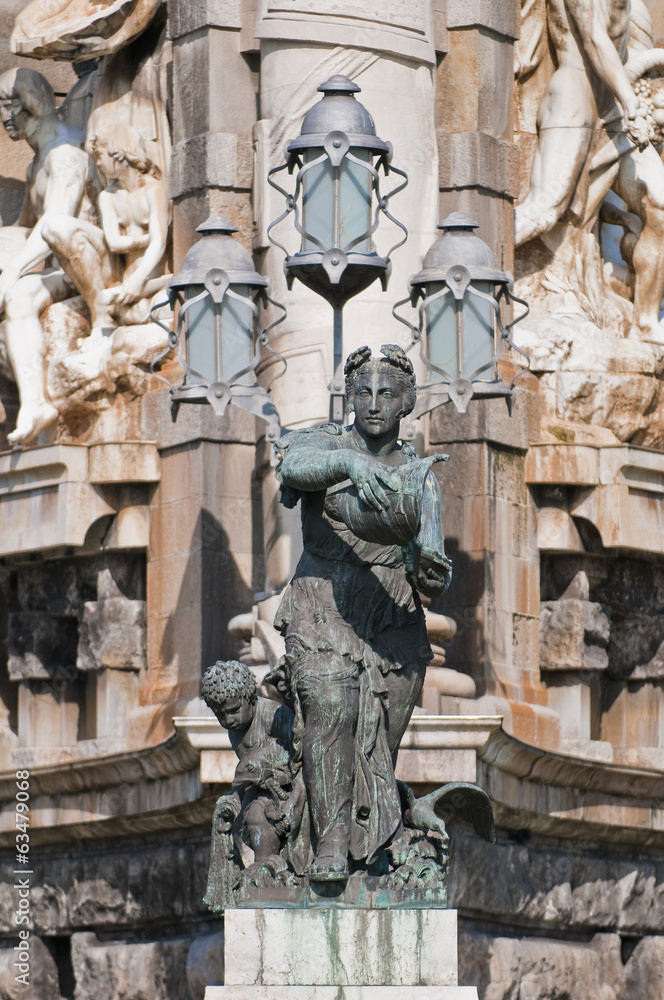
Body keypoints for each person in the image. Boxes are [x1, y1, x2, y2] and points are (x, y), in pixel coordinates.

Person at [272, 344, 452, 881]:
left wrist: (429, 572)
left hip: (392, 613)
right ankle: (328, 848)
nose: (374, 403)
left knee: (378, 744)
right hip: (322, 601)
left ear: (406, 405)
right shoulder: (324, 446)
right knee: (332, 710)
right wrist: (351, 462)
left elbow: (431, 570)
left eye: (387, 394)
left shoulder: (422, 479)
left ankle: (369, 846)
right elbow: (292, 464)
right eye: (364, 393)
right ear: (348, 397)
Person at [515, 0, 664, 341]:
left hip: (611, 106)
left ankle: (645, 322)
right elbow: (594, 39)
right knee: (547, 208)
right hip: (576, 97)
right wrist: (631, 102)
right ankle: (472, 265)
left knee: (658, 201)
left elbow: (634, 54)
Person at [0, 67, 93, 444]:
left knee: (20, 297)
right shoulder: (35, 163)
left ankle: (36, 402)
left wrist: (12, 273)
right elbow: (22, 228)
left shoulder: (65, 154)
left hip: (80, 264)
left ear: (33, 104)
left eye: (10, 105)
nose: (5, 116)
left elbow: (53, 227)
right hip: (56, 264)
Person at [201, 659, 294, 862]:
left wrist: (273, 772)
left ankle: (265, 866)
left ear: (250, 698)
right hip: (257, 786)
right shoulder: (235, 730)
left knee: (257, 818)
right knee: (235, 817)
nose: (228, 720)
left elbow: (298, 751)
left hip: (285, 786)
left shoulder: (273, 715)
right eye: (220, 714)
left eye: (233, 711)